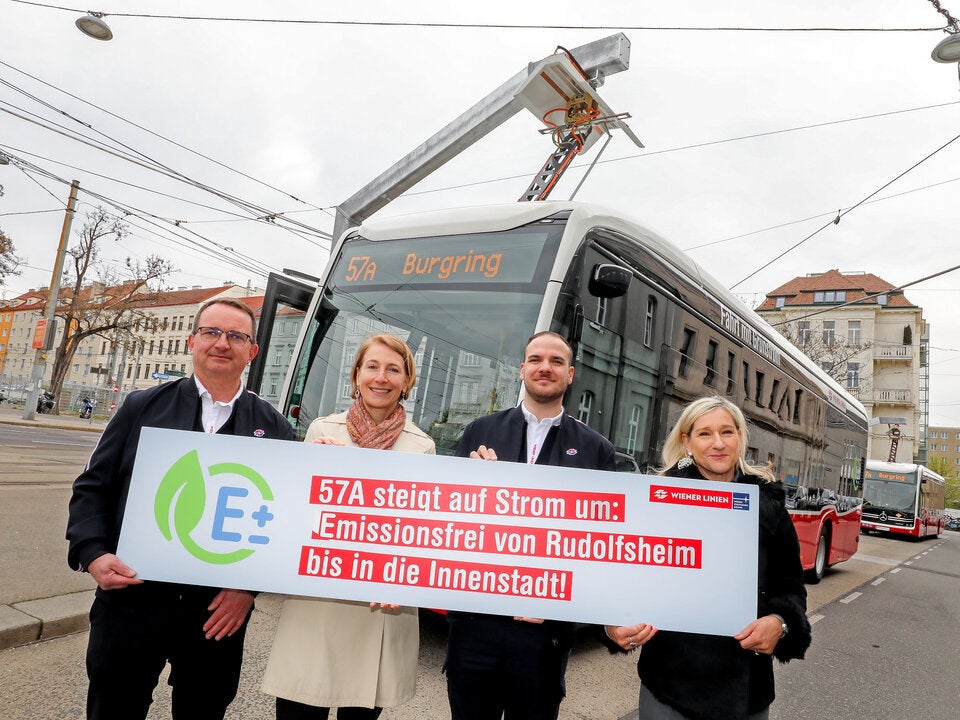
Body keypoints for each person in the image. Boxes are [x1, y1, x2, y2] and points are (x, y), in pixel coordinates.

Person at [66, 298, 296, 720]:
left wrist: (247, 589)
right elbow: (92, 488)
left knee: (203, 711)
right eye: (211, 332)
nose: (221, 343)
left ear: (252, 351)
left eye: (235, 336)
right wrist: (93, 554)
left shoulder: (275, 428)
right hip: (132, 599)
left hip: (217, 613)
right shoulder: (141, 407)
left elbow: (281, 525)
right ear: (192, 341)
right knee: (113, 707)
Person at [604, 396, 811, 720]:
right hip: (669, 687)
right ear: (686, 441)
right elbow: (623, 575)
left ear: (740, 438)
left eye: (727, 432)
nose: (718, 443)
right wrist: (613, 623)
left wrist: (780, 624)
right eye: (704, 434)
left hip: (745, 693)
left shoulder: (768, 508)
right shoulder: (657, 502)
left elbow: (792, 588)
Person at [444, 331, 617, 720]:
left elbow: (600, 547)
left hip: (544, 636)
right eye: (536, 359)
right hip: (476, 628)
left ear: (570, 374)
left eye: (556, 362)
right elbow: (449, 521)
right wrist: (472, 485)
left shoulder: (596, 450)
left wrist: (558, 605)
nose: (545, 367)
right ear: (521, 369)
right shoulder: (479, 432)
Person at [262, 333, 436, 720]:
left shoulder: (422, 446)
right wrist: (312, 471)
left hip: (380, 606)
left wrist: (405, 578)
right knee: (299, 707)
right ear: (356, 374)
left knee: (360, 710)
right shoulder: (322, 431)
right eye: (372, 366)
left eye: (394, 369)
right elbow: (291, 513)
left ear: (407, 381)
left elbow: (421, 530)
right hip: (319, 602)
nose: (381, 377)